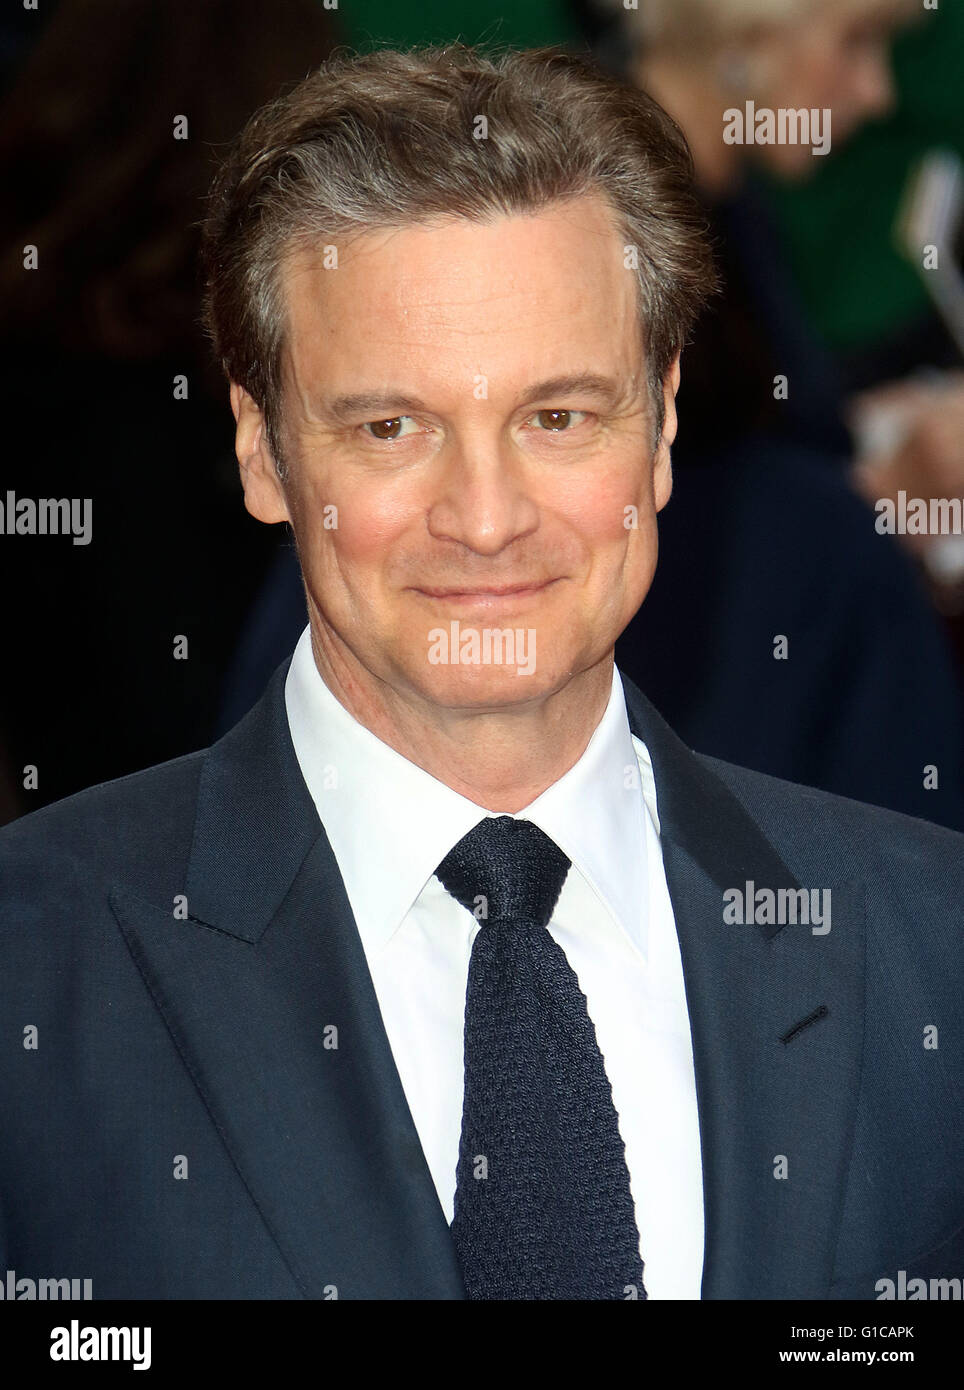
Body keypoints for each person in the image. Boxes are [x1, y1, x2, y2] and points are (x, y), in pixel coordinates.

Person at [1, 45, 961, 1301]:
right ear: (260, 449)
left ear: (663, 424)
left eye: (557, 416)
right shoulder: (36, 964)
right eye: (391, 427)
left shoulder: (927, 945)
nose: (488, 515)